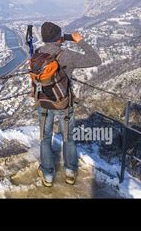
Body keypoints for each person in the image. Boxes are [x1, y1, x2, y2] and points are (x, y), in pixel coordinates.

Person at [36, 21, 101, 187]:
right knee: (68, 138)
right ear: (59, 38)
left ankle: (48, 175)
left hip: (43, 102)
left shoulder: (37, 53)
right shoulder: (66, 55)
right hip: (64, 103)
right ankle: (70, 172)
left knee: (45, 138)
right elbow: (95, 59)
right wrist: (79, 41)